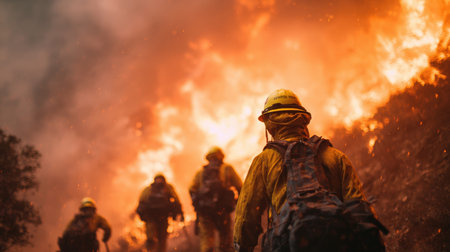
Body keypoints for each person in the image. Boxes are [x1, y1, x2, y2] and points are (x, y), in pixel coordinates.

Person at [233, 89, 387, 251]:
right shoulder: (335, 156)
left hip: (289, 243)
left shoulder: (263, 161)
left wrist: (242, 247)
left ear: (270, 125)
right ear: (303, 120)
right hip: (337, 240)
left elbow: (246, 216)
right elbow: (359, 208)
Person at [189, 147, 242, 252]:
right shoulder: (227, 168)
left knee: (207, 242)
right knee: (225, 240)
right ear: (221, 156)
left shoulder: (200, 172)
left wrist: (197, 204)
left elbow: (191, 189)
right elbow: (240, 186)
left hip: (205, 211)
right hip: (223, 210)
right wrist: (238, 202)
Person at [137, 173, 184, 252]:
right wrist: (179, 213)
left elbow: (141, 202)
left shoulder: (148, 189)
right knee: (162, 239)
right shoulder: (168, 188)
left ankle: (150, 250)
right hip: (163, 217)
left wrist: (142, 216)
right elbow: (176, 200)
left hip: (151, 217)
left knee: (150, 238)